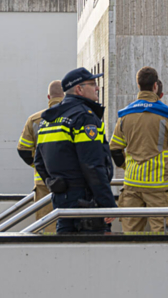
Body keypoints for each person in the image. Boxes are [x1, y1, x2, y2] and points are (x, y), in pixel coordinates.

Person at [110, 66, 168, 233]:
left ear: (138, 85)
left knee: (131, 235)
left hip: (132, 184)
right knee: (162, 236)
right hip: (159, 186)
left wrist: (129, 166)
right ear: (156, 86)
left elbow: (115, 149)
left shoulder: (125, 115)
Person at [34, 68, 117, 234]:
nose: (97, 88)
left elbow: (39, 161)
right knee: (92, 247)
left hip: (61, 199)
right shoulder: (84, 117)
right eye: (93, 84)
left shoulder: (49, 119)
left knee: (66, 244)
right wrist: (107, 202)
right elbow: (92, 165)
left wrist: (56, 185)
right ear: (79, 89)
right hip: (86, 201)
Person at [17, 80, 65, 225]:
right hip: (70, 181)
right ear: (65, 95)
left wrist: (40, 166)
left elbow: (24, 151)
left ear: (48, 97)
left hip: (44, 182)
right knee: (68, 222)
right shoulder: (75, 116)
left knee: (46, 224)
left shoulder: (34, 120)